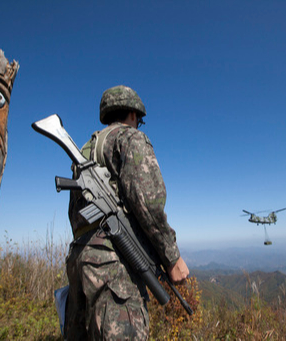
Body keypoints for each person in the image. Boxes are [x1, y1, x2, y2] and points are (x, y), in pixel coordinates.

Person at [65, 85, 189, 340]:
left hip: (80, 258)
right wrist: (172, 257)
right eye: (138, 121)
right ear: (133, 114)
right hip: (112, 262)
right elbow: (148, 202)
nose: (138, 125)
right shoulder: (130, 138)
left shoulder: (86, 150)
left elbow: (74, 213)